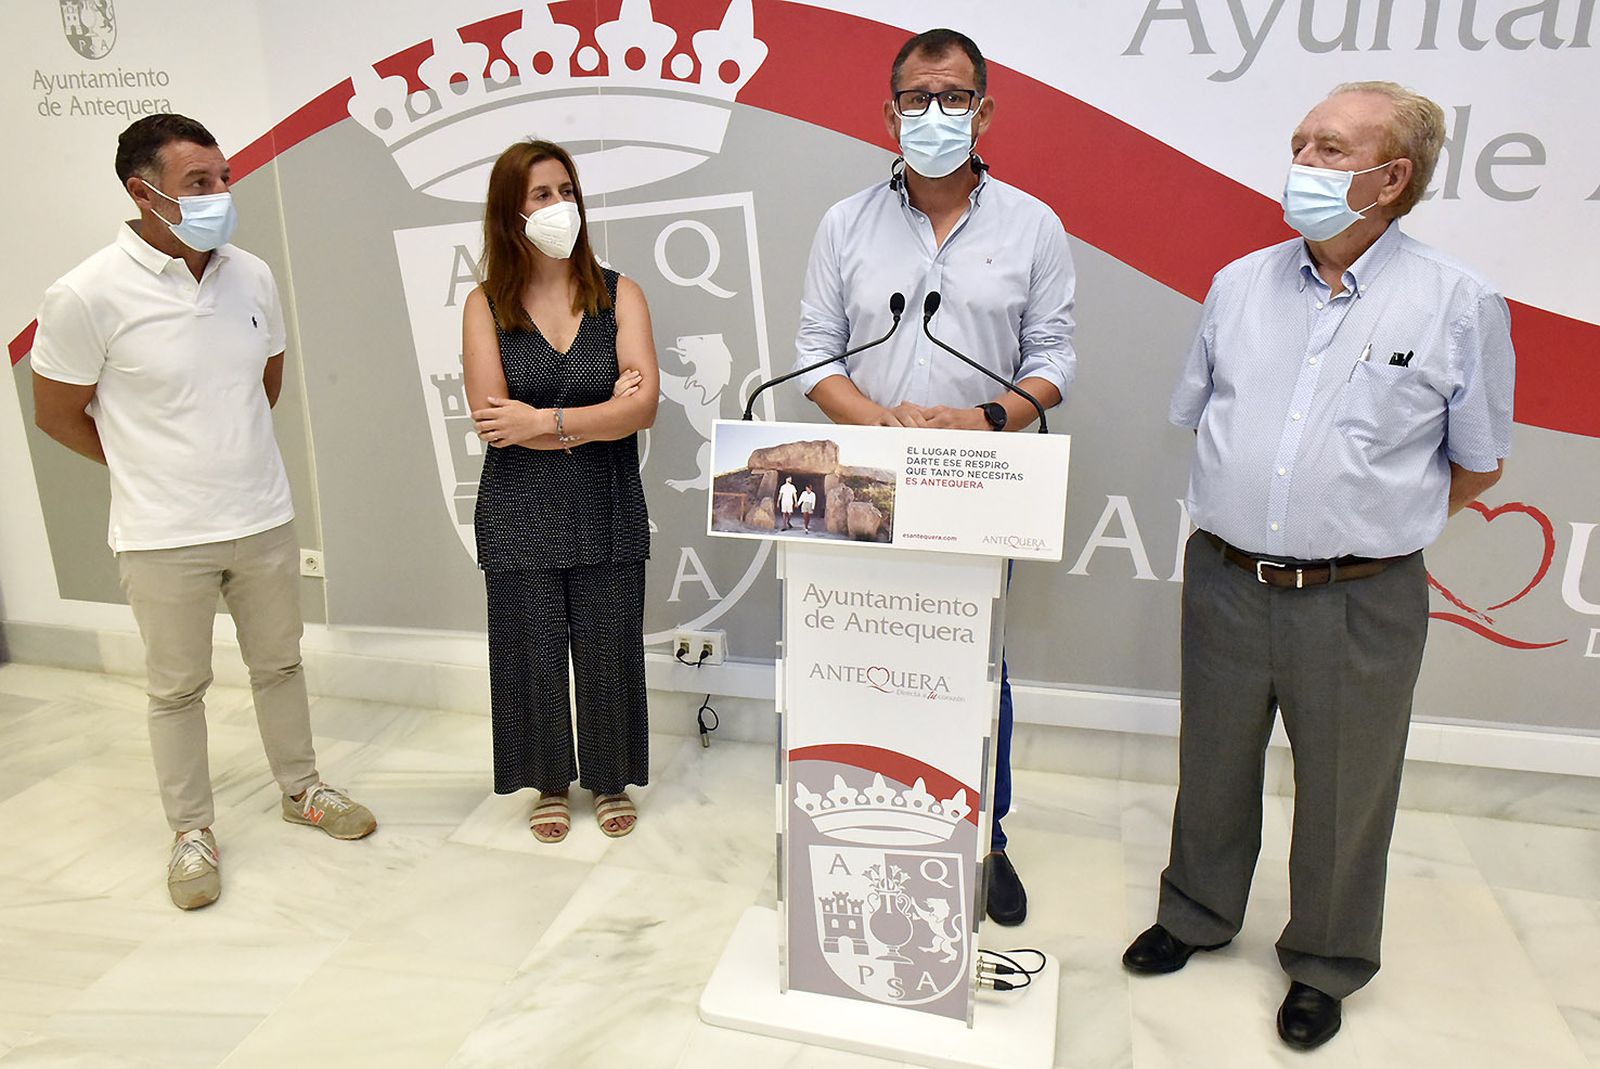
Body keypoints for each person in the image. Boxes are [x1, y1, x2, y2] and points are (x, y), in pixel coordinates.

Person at [1122, 82, 1514, 1051]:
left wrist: (1368, 526)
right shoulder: (1239, 283)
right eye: (1299, 142)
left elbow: (1478, 458)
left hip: (1358, 593)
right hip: (1224, 572)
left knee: (1345, 786)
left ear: (1391, 177)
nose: (1302, 162)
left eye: (1329, 148)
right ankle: (1196, 914)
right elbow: (1203, 411)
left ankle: (1326, 961)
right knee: (1210, 762)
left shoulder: (1456, 301)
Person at [30, 114, 377, 912]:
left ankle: (303, 789)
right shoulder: (85, 293)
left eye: (224, 178)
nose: (221, 194)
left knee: (280, 663)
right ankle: (191, 831)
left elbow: (266, 379)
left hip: (261, 515)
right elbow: (57, 413)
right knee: (176, 688)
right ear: (141, 192)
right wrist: (154, 465)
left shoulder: (251, 274)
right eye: (199, 183)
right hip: (160, 534)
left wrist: (225, 454)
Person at [793, 28, 1077, 926]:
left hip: (980, 479)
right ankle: (855, 821)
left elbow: (1055, 357)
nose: (933, 114)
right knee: (863, 650)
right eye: (916, 99)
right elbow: (814, 355)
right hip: (866, 480)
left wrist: (983, 419)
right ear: (890, 113)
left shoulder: (1033, 224)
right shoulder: (846, 223)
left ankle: (985, 838)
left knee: (972, 661)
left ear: (984, 111)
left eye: (953, 97)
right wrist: (879, 425)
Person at [462, 140, 659, 843]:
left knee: (609, 647)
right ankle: (548, 779)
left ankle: (609, 777)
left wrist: (542, 420)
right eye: (541, 194)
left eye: (566, 190)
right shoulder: (486, 305)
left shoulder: (619, 293)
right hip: (518, 509)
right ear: (510, 211)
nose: (558, 206)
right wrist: (595, 416)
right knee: (532, 649)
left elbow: (643, 408)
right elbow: (494, 423)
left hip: (606, 503)